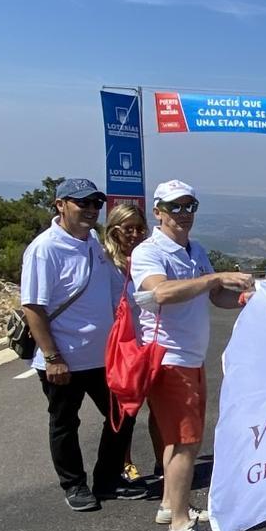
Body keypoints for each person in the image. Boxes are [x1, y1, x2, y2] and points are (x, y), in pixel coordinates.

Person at [131, 180, 255, 531]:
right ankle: (180, 527)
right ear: (158, 212)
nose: (183, 214)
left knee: (176, 439)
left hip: (190, 357)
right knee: (187, 442)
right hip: (169, 358)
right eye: (175, 207)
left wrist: (246, 298)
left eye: (189, 207)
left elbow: (216, 296)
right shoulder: (149, 252)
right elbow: (161, 292)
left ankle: (172, 505)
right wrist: (213, 277)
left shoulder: (194, 249)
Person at [20, 178, 148, 511]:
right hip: (64, 359)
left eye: (95, 203)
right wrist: (51, 357)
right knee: (65, 423)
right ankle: (75, 485)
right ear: (60, 205)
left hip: (102, 356)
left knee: (122, 415)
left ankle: (106, 481)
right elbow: (33, 307)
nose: (91, 209)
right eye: (83, 203)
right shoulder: (44, 248)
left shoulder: (92, 241)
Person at [100, 202, 157, 483]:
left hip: (145, 341)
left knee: (154, 407)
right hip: (120, 346)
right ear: (114, 230)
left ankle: (162, 462)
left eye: (139, 229)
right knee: (124, 409)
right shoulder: (105, 263)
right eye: (128, 229)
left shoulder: (146, 259)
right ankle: (124, 463)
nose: (134, 234)